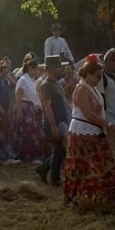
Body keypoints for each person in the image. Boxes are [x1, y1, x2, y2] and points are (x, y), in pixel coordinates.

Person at [62, 55, 115, 212]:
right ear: (88, 74)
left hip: (92, 132)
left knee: (101, 166)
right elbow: (89, 114)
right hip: (83, 133)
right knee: (97, 167)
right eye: (97, 76)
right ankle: (110, 199)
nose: (99, 79)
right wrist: (109, 125)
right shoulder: (82, 88)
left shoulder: (90, 87)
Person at [36, 56, 70, 185]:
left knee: (60, 150)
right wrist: (53, 126)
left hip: (61, 121)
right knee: (58, 151)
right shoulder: (46, 85)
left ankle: (43, 169)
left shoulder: (57, 83)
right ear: (49, 68)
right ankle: (55, 179)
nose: (60, 69)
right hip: (53, 122)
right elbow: (47, 107)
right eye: (57, 66)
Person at [11, 56, 46, 162]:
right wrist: (19, 111)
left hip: (30, 108)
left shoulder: (30, 80)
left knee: (31, 132)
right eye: (36, 69)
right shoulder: (23, 80)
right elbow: (18, 96)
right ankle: (27, 156)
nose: (37, 71)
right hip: (24, 108)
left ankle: (31, 155)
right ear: (31, 68)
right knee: (27, 132)